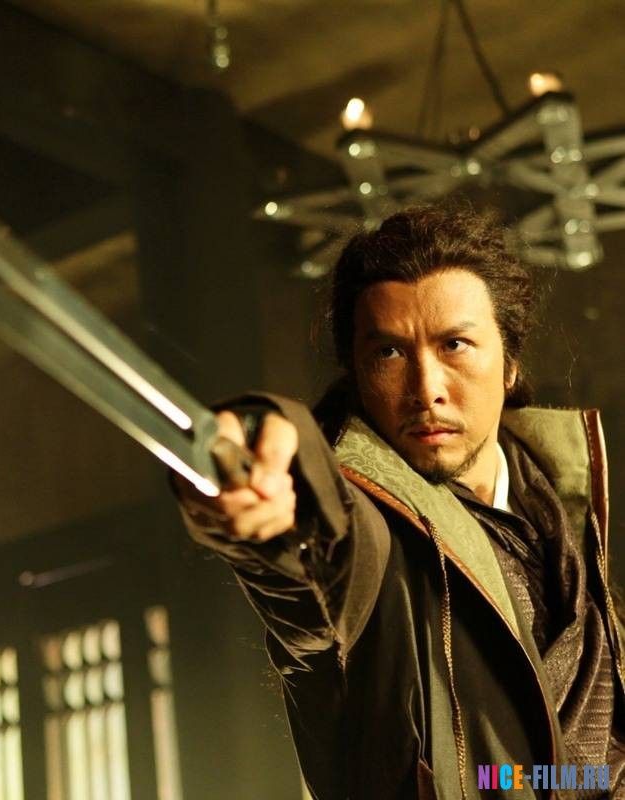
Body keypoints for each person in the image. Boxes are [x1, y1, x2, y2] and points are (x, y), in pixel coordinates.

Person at [175, 206, 625, 799]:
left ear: (510, 365)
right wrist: (265, 449)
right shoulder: (373, 534)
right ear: (358, 375)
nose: (426, 390)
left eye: (455, 344)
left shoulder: (559, 506)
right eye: (388, 353)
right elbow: (321, 547)